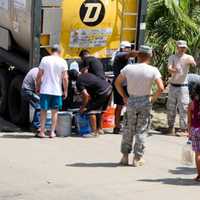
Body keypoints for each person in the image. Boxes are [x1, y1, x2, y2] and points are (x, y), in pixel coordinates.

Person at [115, 45, 164, 167]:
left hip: (131, 99)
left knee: (128, 128)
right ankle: (137, 158)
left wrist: (124, 96)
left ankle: (125, 156)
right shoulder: (153, 70)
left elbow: (117, 83)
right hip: (145, 100)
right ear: (150, 55)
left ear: (138, 55)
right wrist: (152, 99)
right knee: (141, 129)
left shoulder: (129, 68)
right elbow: (161, 88)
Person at [36, 45, 68, 138]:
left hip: (45, 89)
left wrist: (37, 86)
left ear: (51, 51)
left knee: (43, 111)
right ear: (60, 51)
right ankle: (52, 132)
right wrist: (65, 90)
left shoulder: (45, 59)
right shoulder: (63, 61)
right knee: (55, 112)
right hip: (57, 91)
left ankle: (41, 132)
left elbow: (39, 75)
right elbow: (65, 78)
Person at [68, 69, 112, 137]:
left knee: (90, 111)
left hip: (101, 91)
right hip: (108, 88)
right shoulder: (86, 74)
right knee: (99, 111)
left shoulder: (79, 81)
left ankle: (94, 133)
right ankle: (99, 129)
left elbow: (86, 96)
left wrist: (83, 108)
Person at [167, 40, 196, 136]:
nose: (182, 48)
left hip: (183, 86)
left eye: (184, 47)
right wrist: (174, 70)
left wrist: (193, 63)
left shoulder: (188, 57)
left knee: (184, 107)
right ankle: (170, 127)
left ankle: (183, 129)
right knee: (171, 107)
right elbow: (169, 68)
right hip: (173, 85)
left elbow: (194, 63)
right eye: (181, 47)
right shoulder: (172, 57)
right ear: (177, 47)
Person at [112, 41, 136, 134]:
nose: (129, 49)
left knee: (125, 105)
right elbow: (128, 54)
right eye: (127, 47)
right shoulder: (120, 55)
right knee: (120, 106)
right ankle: (117, 126)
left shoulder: (127, 57)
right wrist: (141, 53)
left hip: (126, 84)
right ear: (122, 48)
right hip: (120, 85)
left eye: (129, 47)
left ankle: (123, 126)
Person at [188, 83, 200, 181]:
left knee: (198, 154)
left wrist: (189, 132)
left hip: (195, 130)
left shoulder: (191, 103)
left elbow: (189, 120)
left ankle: (199, 175)